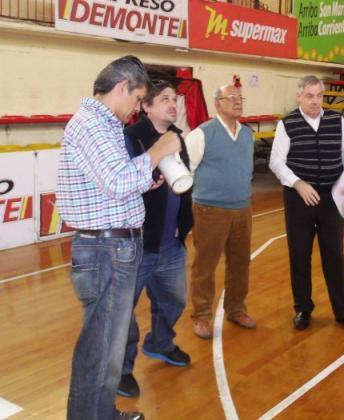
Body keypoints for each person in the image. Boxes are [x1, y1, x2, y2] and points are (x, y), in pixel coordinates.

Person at [57, 56, 181, 420]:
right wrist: (158, 150)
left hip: (110, 247)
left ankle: (101, 413)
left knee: (107, 346)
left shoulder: (103, 124)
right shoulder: (94, 125)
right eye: (137, 98)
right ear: (122, 87)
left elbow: (118, 182)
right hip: (105, 249)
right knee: (101, 348)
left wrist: (146, 177)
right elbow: (117, 182)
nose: (135, 110)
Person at [117, 80, 193, 398]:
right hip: (138, 244)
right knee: (124, 311)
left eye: (174, 99)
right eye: (164, 99)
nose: (172, 104)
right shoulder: (131, 137)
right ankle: (121, 370)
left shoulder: (177, 138)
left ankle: (160, 344)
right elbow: (126, 180)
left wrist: (184, 224)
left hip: (171, 242)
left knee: (174, 299)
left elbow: (185, 183)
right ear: (145, 106)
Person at [269, 75, 344, 334]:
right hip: (299, 198)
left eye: (319, 95)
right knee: (299, 254)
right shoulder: (286, 124)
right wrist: (298, 183)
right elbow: (276, 162)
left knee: (334, 255)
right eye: (309, 96)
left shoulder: (336, 120)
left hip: (331, 198)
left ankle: (343, 313)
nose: (315, 101)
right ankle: (303, 309)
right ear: (299, 96)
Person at [185, 84, 256, 339]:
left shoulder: (248, 135)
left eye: (240, 97)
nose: (238, 102)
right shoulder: (202, 134)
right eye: (232, 98)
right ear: (217, 104)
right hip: (210, 211)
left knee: (240, 264)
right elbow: (186, 172)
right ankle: (201, 316)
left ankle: (236, 309)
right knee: (205, 265)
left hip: (242, 209)